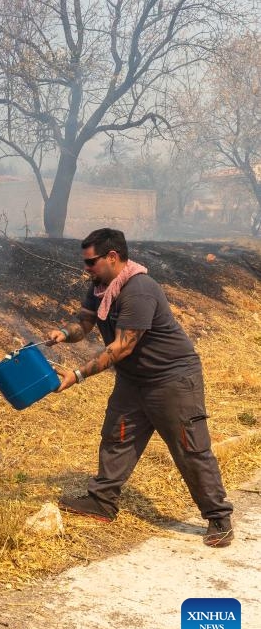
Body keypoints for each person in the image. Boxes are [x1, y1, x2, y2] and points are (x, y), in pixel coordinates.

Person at [46, 228, 234, 548]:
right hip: (134, 380)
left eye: (91, 262)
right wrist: (63, 334)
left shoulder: (139, 290)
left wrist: (76, 374)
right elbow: (85, 323)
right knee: (118, 436)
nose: (86, 268)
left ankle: (219, 518)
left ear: (113, 257)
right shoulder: (98, 286)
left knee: (190, 448)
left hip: (172, 379)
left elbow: (121, 348)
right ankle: (102, 502)